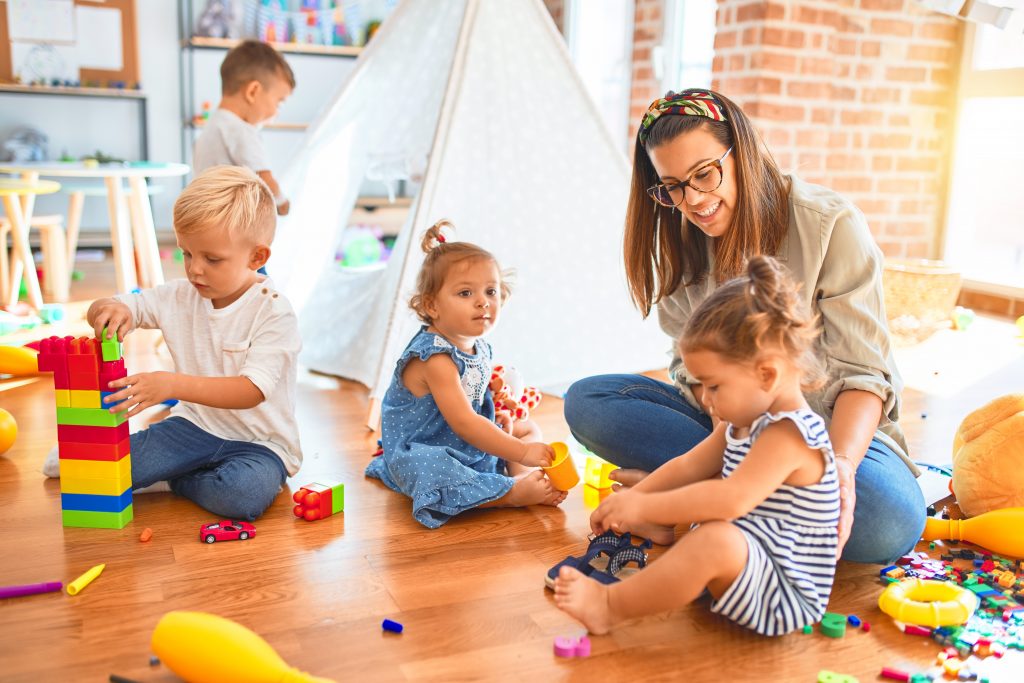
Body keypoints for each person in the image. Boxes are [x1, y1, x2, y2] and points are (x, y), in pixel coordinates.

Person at [563, 88, 924, 564]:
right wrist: (729, 448)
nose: (693, 201)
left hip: (825, 435)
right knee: (588, 401)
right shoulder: (679, 240)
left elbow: (865, 376)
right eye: (672, 186)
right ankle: (734, 498)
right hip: (731, 423)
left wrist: (839, 468)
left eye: (705, 174)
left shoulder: (829, 224)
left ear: (742, 153)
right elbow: (695, 376)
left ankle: (704, 499)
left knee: (888, 523)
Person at [555, 256, 839, 636]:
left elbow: (730, 499)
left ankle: (608, 607)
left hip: (782, 592)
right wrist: (636, 499)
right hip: (750, 560)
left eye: (714, 385)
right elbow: (687, 466)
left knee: (714, 538)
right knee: (711, 533)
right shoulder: (743, 423)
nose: (705, 398)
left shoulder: (788, 435)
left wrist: (643, 503)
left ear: (767, 374)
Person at [44, 166, 302, 521]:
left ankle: (176, 478)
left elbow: (251, 391)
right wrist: (108, 311)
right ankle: (158, 466)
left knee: (242, 498)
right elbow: (120, 305)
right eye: (187, 254)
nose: (195, 269)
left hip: (260, 444)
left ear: (256, 257)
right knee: (97, 473)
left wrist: (171, 384)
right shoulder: (179, 296)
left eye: (212, 259)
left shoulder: (273, 311)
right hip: (193, 427)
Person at [365, 221, 566, 528]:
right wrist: (522, 452)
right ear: (432, 305)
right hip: (427, 447)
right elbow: (465, 421)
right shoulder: (435, 358)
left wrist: (497, 397)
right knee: (432, 470)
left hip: (463, 442)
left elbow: (476, 394)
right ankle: (508, 494)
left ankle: (522, 477)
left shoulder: (479, 347)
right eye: (465, 292)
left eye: (491, 291)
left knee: (525, 428)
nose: (483, 301)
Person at [193, 40, 295, 216]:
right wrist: (282, 202)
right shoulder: (241, 130)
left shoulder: (212, 126)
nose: (276, 112)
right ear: (253, 92)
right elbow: (265, 179)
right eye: (279, 101)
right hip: (233, 225)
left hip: (205, 219)